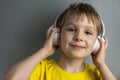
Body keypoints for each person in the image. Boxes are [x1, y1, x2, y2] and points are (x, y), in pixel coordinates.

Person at [5, 2, 117, 80]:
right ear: (57, 35)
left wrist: (101, 64)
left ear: (97, 43)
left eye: (88, 32)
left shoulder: (98, 74)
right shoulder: (42, 69)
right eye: (71, 29)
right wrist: (46, 50)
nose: (79, 37)